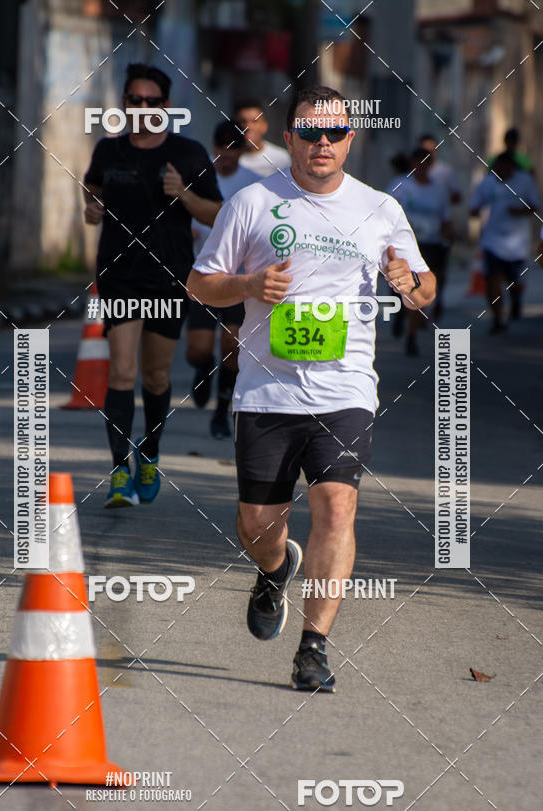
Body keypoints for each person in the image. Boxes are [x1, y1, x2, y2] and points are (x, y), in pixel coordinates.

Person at [187, 85, 435, 691]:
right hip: (266, 392)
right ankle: (274, 571)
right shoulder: (251, 201)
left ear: (350, 139)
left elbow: (426, 290)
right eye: (310, 132)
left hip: (345, 388)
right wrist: (247, 285)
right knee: (257, 524)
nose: (322, 143)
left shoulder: (380, 208)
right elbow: (200, 284)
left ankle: (314, 647)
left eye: (335, 133)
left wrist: (409, 284)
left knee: (336, 508)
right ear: (290, 137)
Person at [83, 63, 222, 507]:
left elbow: (216, 214)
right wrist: (91, 207)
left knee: (156, 374)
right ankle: (119, 470)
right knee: (122, 370)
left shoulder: (190, 154)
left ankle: (151, 450)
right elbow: (91, 190)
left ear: (166, 107)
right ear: (124, 104)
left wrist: (183, 193)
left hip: (168, 275)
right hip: (119, 276)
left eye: (151, 102)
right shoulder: (109, 150)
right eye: (134, 101)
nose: (142, 109)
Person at [187, 122, 260, 439]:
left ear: (242, 150)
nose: (226, 154)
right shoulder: (200, 180)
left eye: (234, 147)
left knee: (233, 344)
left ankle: (221, 410)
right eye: (221, 146)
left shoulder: (256, 187)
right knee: (197, 350)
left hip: (239, 280)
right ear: (213, 147)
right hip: (203, 276)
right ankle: (203, 369)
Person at [390, 147, 452, 353]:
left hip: (431, 244)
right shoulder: (400, 185)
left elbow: (446, 220)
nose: (421, 167)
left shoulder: (439, 191)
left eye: (426, 163)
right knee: (401, 287)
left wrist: (447, 241)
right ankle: (400, 316)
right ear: (412, 164)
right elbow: (384, 214)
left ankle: (411, 335)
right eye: (417, 162)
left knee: (418, 287)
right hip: (405, 245)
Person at [470, 152, 540, 331]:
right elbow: (474, 206)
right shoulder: (487, 183)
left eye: (505, 167)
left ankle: (516, 298)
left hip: (517, 242)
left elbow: (535, 206)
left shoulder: (524, 181)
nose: (500, 171)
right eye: (497, 168)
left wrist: (521, 211)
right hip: (492, 241)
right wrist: (475, 211)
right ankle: (497, 318)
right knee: (492, 280)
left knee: (514, 281)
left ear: (512, 168)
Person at [235, 98, 291, 177]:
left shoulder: (281, 159)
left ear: (264, 126)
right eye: (242, 121)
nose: (248, 127)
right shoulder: (227, 159)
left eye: (254, 121)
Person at [418, 134, 462, 204]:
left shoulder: (446, 171)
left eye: (431, 151)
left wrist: (439, 198)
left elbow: (457, 197)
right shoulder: (412, 171)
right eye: (425, 152)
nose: (429, 155)